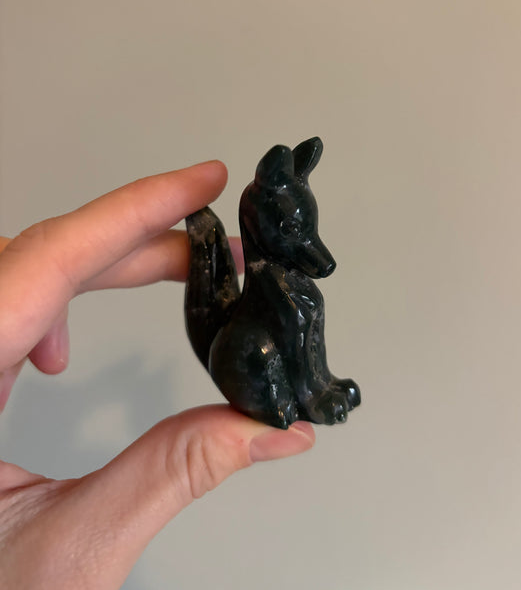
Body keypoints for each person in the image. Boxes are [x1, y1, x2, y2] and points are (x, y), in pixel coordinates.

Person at [0, 160, 315, 589]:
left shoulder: (288, 280)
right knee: (257, 348)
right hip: (248, 365)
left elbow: (305, 342)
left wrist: (319, 386)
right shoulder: (270, 277)